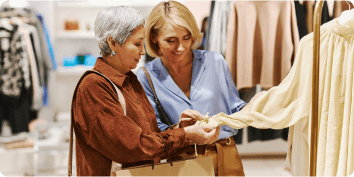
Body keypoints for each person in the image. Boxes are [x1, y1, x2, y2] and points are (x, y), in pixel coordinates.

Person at [71, 6, 220, 176]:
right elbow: (132, 147)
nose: (143, 51)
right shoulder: (94, 87)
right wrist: (184, 134)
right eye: (136, 44)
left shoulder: (130, 81)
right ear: (112, 43)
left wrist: (181, 127)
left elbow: (148, 137)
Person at [136, 1, 251, 176]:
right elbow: (151, 130)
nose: (181, 47)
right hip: (182, 161)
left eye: (187, 38)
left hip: (225, 153)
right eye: (171, 40)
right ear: (153, 37)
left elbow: (234, 106)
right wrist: (181, 129)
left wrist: (255, 106)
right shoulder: (145, 77)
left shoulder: (215, 62)